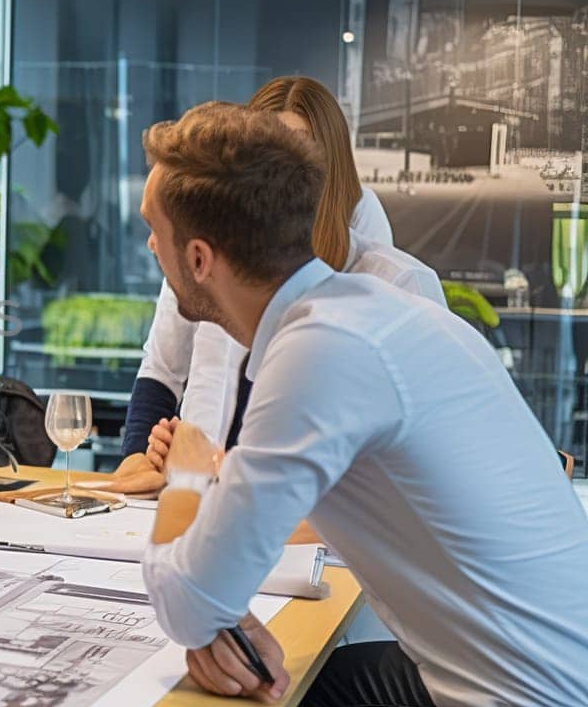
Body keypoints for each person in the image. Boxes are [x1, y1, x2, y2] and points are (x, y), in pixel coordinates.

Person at [135, 102, 588, 707]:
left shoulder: (323, 351)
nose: (149, 244)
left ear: (199, 258)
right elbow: (218, 583)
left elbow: (188, 601)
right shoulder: (362, 313)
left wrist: (186, 479)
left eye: (156, 229)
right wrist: (223, 602)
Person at [116, 76, 432, 484]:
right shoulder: (205, 252)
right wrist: (144, 454)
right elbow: (163, 362)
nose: (279, 173)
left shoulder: (390, 281)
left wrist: (221, 471)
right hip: (211, 485)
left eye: (298, 150)